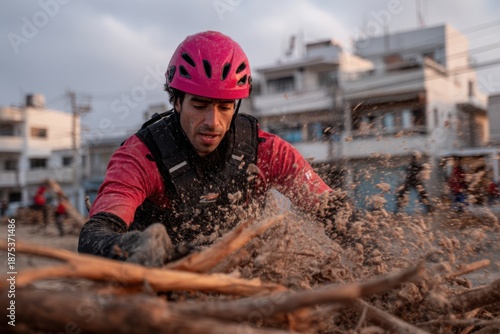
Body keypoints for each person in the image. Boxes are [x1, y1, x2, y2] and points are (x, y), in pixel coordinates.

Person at [78, 31, 356, 267]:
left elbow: (335, 212)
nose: (213, 123)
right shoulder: (140, 156)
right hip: (161, 278)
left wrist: (373, 252)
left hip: (236, 274)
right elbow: (95, 234)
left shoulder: (265, 151)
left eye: (224, 107)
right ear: (176, 101)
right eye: (199, 106)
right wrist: (133, 248)